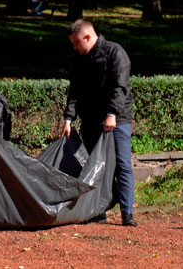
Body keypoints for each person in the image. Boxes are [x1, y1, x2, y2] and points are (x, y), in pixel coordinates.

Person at [59, 19, 137, 227]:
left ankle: (127, 212)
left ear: (87, 37)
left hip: (118, 118)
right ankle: (99, 211)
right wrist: (69, 118)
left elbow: (119, 86)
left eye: (76, 43)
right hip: (91, 119)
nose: (74, 47)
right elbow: (74, 90)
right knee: (95, 166)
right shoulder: (80, 58)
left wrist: (112, 114)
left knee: (122, 165)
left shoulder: (115, 53)